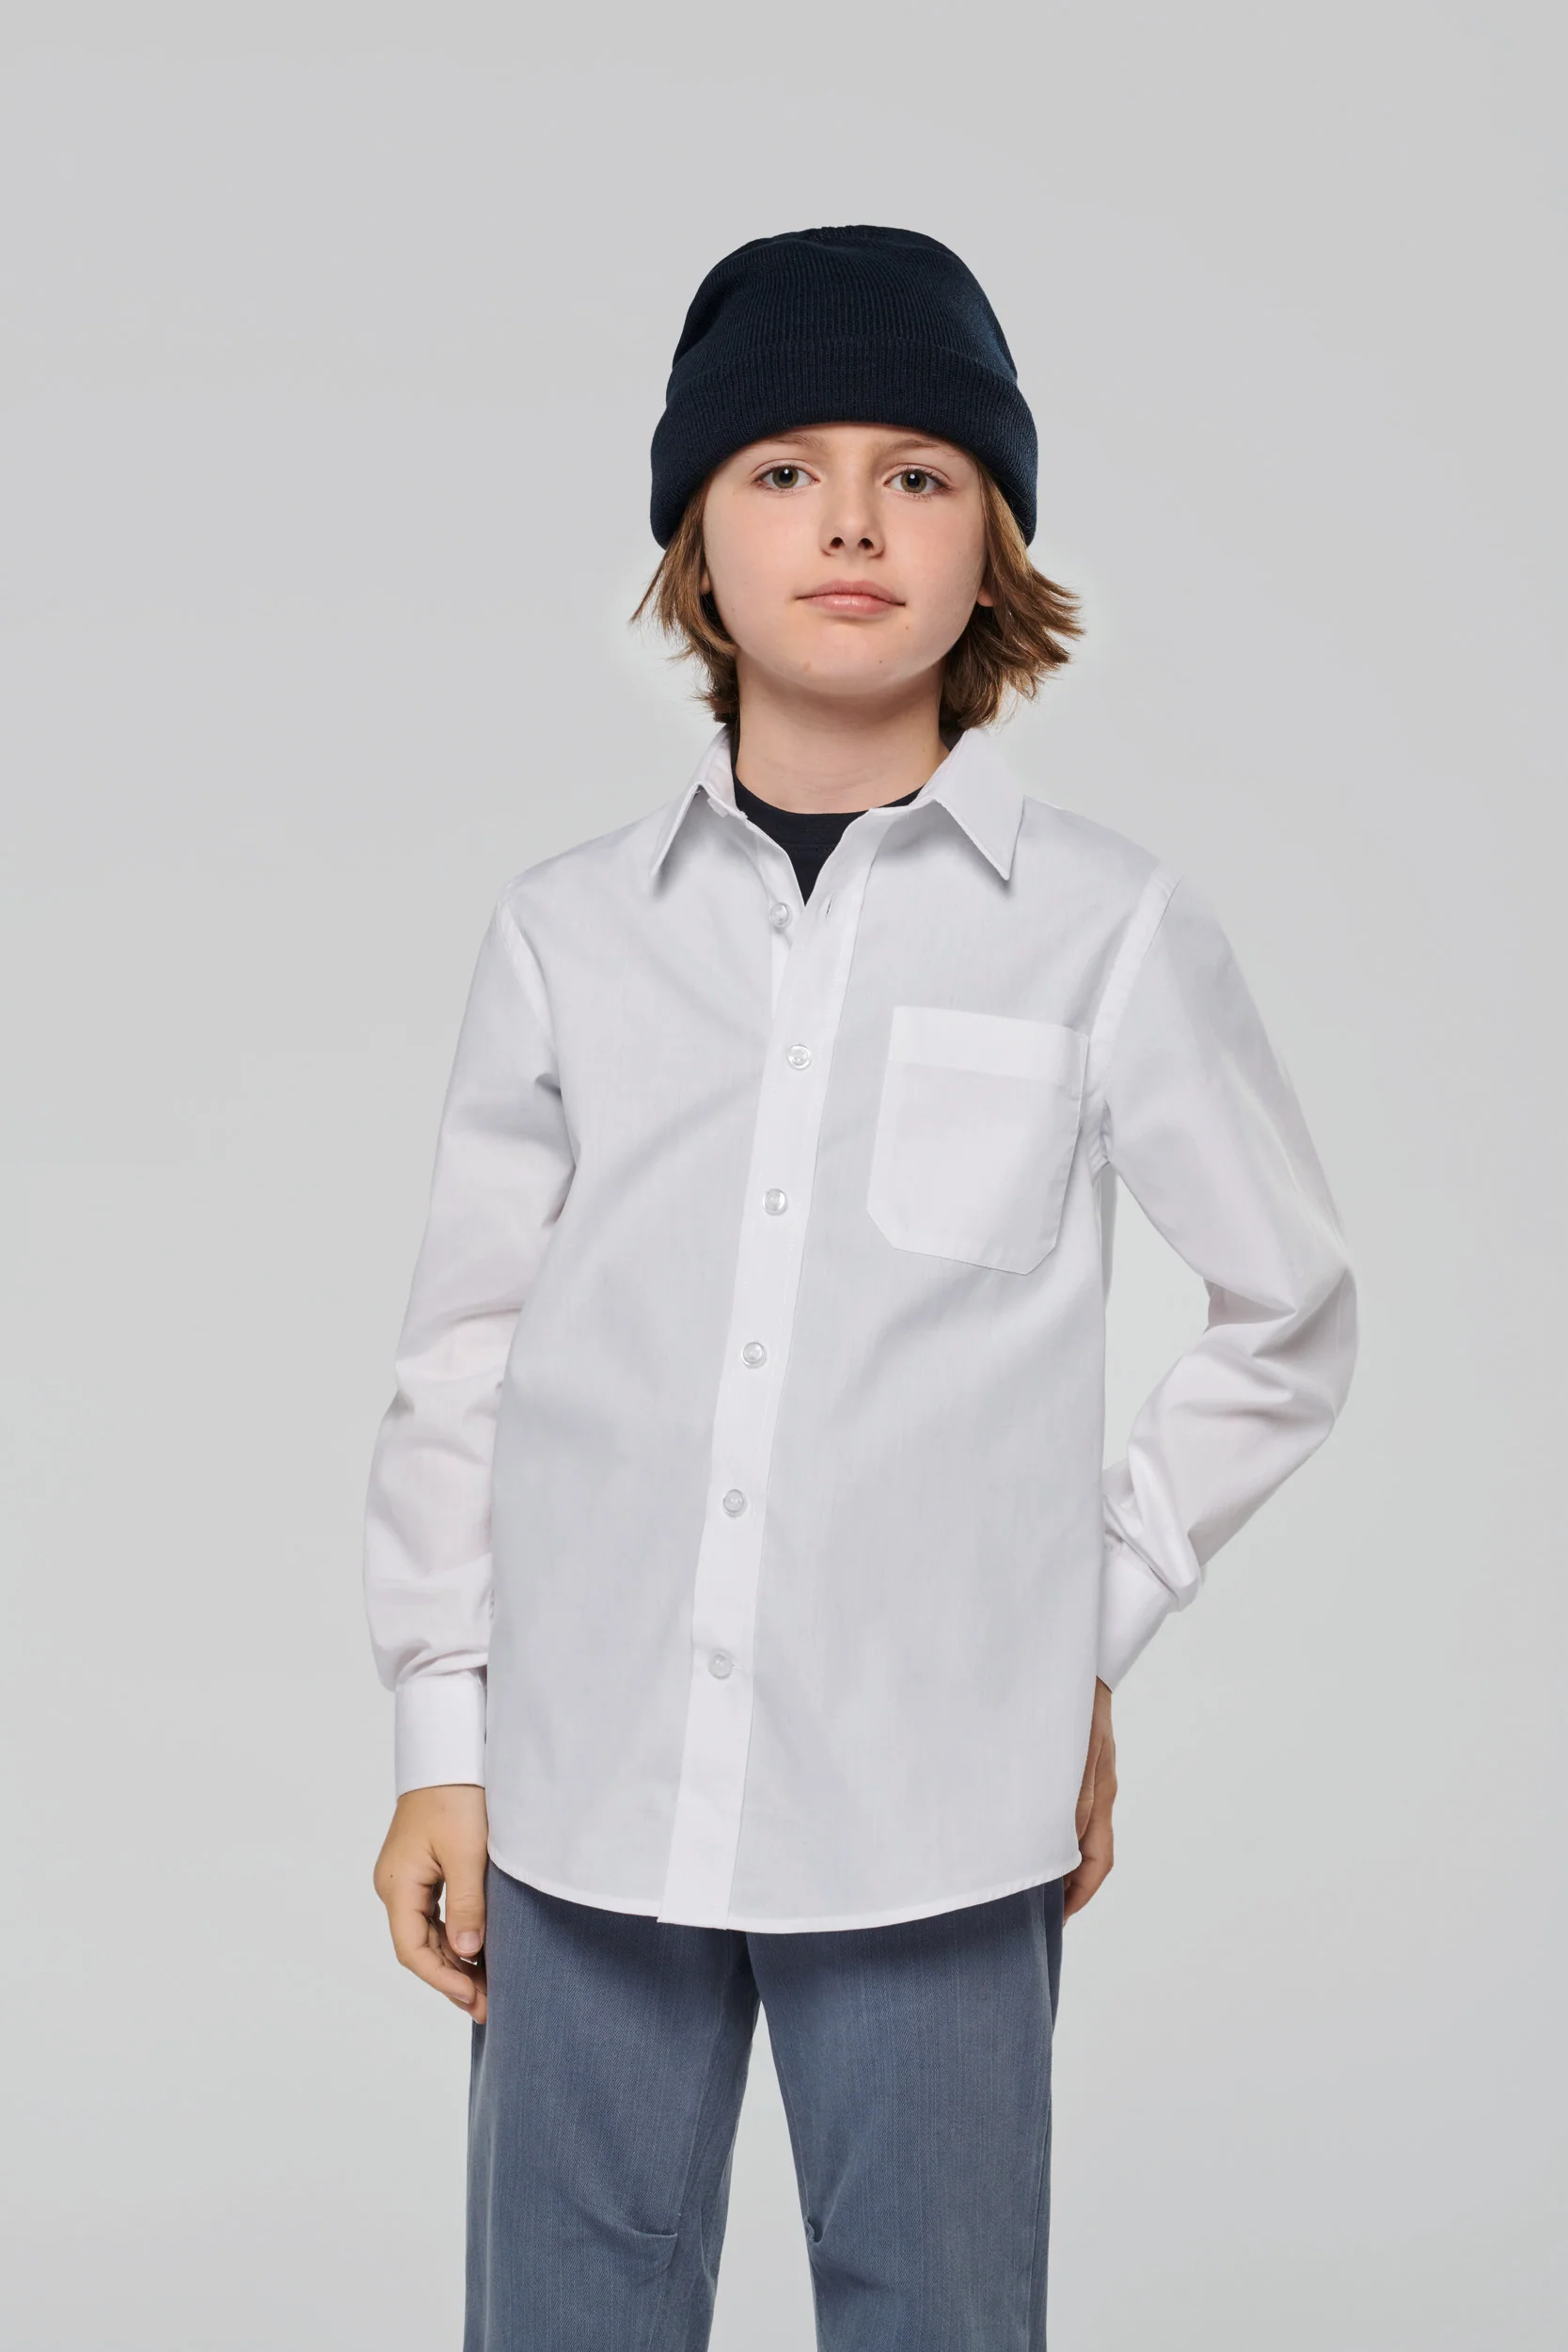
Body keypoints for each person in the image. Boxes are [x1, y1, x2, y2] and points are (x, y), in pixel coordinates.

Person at [363, 225, 1358, 2351]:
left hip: (939, 1809)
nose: (846, 522)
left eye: (914, 472)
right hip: (583, 1787)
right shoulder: (567, 937)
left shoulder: (1103, 931)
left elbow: (1284, 1309)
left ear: (991, 541)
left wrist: (1083, 1626)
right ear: (693, 546)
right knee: (562, 2315)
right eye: (779, 470)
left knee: (940, 2316)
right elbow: (463, 1356)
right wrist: (441, 1735)